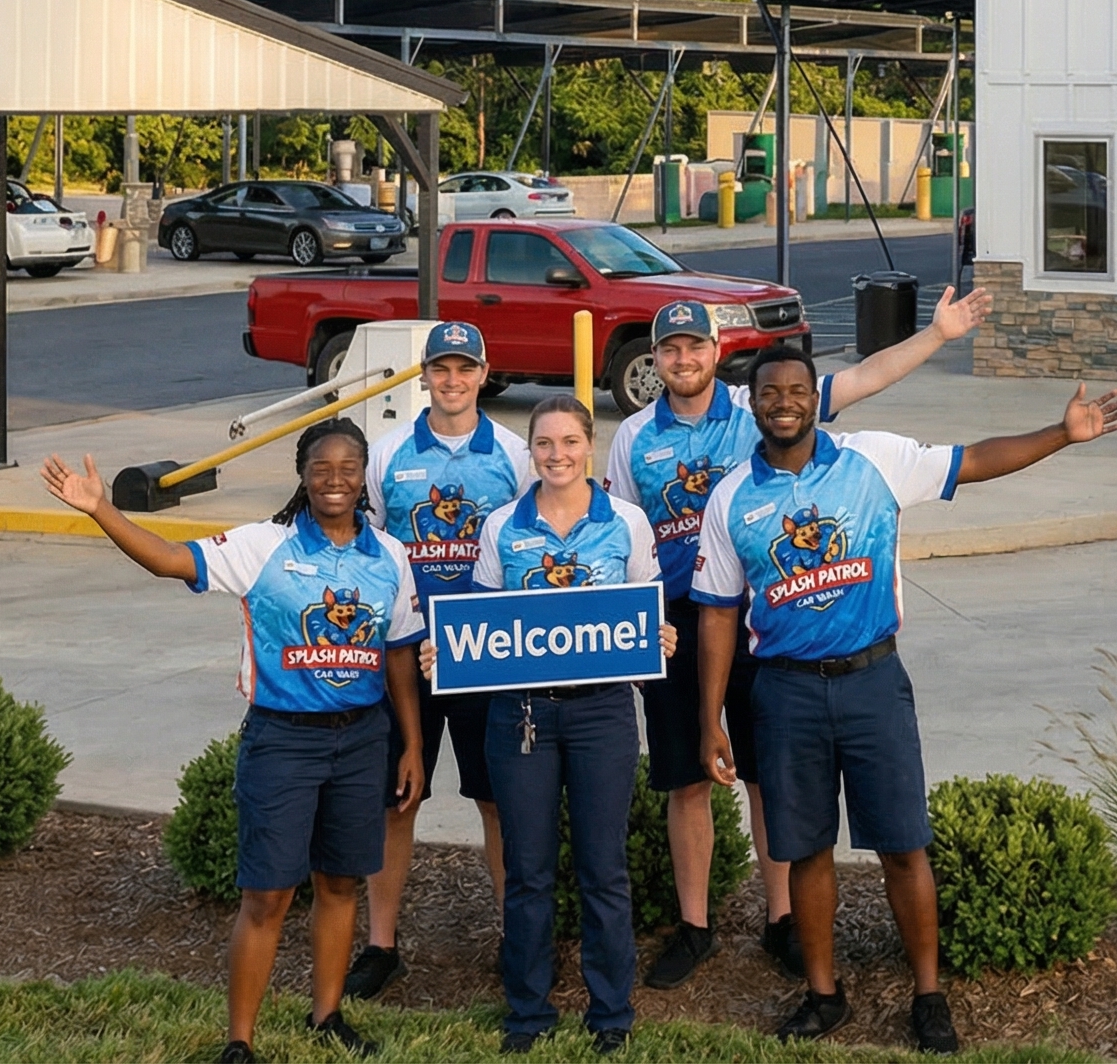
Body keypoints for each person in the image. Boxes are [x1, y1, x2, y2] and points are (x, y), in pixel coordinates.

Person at [693, 345, 1117, 1054]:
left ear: (813, 397)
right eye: (771, 392)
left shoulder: (873, 460)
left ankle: (929, 995)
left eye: (798, 389)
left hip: (873, 683)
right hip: (786, 693)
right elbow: (715, 613)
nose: (785, 403)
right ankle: (824, 995)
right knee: (806, 852)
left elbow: (974, 461)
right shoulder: (733, 496)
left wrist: (1059, 433)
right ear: (755, 402)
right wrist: (710, 717)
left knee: (903, 845)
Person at [603, 286, 989, 989]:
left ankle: (782, 918)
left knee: (765, 773)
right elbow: (623, 536)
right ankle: (696, 927)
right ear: (654, 360)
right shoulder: (634, 436)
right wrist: (628, 635)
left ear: (717, 354)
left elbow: (868, 375)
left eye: (695, 345)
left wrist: (937, 335)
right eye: (670, 348)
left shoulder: (760, 403)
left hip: (768, 618)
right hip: (676, 625)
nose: (683, 358)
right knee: (686, 778)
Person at [43, 418, 424, 1064]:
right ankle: (239, 1040)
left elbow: (398, 658)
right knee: (268, 894)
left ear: (365, 478)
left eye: (348, 468)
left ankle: (326, 1015)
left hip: (362, 740)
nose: (335, 480)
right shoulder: (260, 545)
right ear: (301, 476)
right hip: (283, 740)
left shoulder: (390, 555)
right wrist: (100, 509)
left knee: (339, 884)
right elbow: (170, 561)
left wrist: (412, 744)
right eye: (321, 468)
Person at [438, 394, 672, 1056]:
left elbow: (643, 616)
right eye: (545, 444)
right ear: (531, 451)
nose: (557, 454)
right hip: (522, 716)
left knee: (604, 868)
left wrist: (661, 636)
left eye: (569, 442)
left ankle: (611, 1013)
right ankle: (528, 1012)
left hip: (601, 713)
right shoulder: (501, 529)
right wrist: (447, 650)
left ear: (588, 447)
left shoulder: (625, 523)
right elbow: (482, 624)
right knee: (529, 870)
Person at [346, 321, 535, 1001]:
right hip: (407, 653)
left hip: (487, 654)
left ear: (486, 373)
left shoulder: (516, 455)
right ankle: (381, 943)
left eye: (465, 369)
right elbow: (368, 546)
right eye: (440, 369)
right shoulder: (388, 454)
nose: (452, 381)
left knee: (497, 801)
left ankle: (518, 939)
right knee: (398, 799)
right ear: (423, 376)